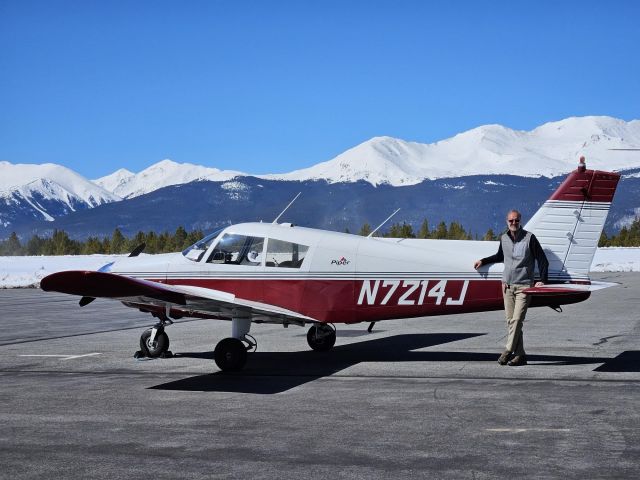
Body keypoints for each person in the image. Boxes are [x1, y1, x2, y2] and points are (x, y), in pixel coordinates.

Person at [474, 209, 548, 366]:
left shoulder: (529, 238)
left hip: (524, 287)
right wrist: (483, 260)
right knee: (511, 321)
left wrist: (542, 280)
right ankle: (520, 355)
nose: (514, 223)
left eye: (516, 220)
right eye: (511, 221)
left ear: (520, 221)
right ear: (507, 222)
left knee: (517, 320)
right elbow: (500, 256)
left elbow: (542, 260)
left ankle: (507, 350)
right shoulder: (504, 238)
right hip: (507, 286)